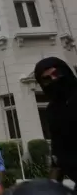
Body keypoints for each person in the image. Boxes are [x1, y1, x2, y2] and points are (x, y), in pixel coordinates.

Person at [34, 57, 77, 189]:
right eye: (46, 79)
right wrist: (49, 189)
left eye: (57, 74)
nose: (54, 80)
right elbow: (57, 153)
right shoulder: (53, 112)